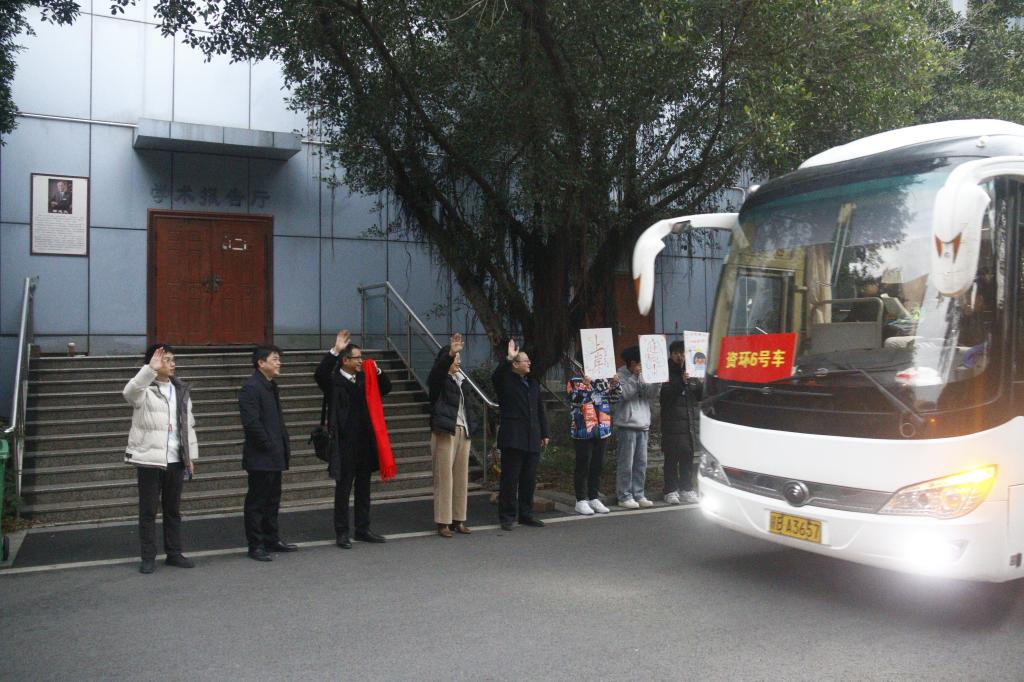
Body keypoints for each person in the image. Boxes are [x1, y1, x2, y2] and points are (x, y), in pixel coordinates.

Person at [122, 344, 198, 574]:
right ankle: (148, 557)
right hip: (150, 460)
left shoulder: (181, 389)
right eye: (167, 359)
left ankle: (174, 553)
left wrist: (190, 457)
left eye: (173, 359)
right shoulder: (145, 389)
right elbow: (129, 393)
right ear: (154, 363)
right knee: (148, 511)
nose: (172, 364)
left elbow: (188, 425)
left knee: (173, 510)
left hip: (176, 459)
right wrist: (148, 370)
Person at [315, 330, 392, 549]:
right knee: (343, 489)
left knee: (364, 488)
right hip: (344, 444)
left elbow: (386, 388)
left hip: (365, 444)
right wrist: (335, 350)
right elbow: (320, 374)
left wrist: (377, 371)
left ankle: (362, 528)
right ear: (345, 360)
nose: (361, 361)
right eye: (357, 358)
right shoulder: (334, 382)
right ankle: (342, 532)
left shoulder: (365, 379)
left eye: (361, 357)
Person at [239, 345, 297, 562]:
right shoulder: (251, 387)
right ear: (261, 363)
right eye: (275, 359)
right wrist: (268, 444)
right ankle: (256, 544)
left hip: (274, 454)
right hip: (261, 455)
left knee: (273, 500)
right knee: (257, 502)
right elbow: (251, 423)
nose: (279, 363)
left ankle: (271, 538)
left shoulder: (271, 386)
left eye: (279, 359)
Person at [492, 339, 549, 531]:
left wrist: (545, 432)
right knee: (510, 479)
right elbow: (496, 376)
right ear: (515, 364)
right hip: (513, 437)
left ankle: (526, 514)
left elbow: (540, 408)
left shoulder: (532, 382)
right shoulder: (506, 381)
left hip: (532, 436)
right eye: (525, 361)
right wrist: (507, 359)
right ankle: (507, 516)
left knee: (529, 479)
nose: (529, 363)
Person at [427, 333, 472, 537]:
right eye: (455, 358)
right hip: (445, 431)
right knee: (444, 478)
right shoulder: (438, 380)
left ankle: (458, 519)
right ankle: (443, 521)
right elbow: (437, 371)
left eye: (459, 358)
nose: (458, 361)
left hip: (463, 430)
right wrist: (449, 354)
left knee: (461, 478)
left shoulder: (461, 381)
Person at [566, 367, 621, 515]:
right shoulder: (575, 380)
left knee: (597, 465)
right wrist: (585, 385)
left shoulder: (604, 379)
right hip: (583, 428)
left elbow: (614, 399)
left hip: (602, 427)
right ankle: (580, 499)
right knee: (583, 465)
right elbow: (574, 400)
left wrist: (615, 384)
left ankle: (593, 496)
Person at [612, 346, 659, 509]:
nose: (642, 366)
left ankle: (639, 494)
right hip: (627, 425)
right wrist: (634, 376)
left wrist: (657, 381)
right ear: (632, 363)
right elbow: (625, 394)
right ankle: (624, 495)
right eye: (639, 363)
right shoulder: (620, 375)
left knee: (641, 463)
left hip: (643, 424)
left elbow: (651, 395)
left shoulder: (644, 374)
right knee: (626, 463)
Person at [660, 340, 703, 505]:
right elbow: (665, 396)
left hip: (689, 424)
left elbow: (699, 397)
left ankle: (686, 489)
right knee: (672, 458)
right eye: (677, 353)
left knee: (687, 457)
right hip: (672, 423)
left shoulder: (691, 371)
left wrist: (701, 384)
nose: (680, 356)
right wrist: (681, 382)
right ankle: (670, 490)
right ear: (671, 354)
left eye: (683, 353)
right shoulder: (665, 372)